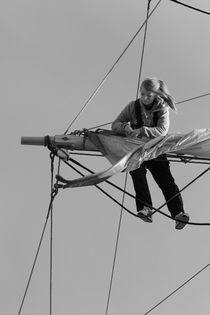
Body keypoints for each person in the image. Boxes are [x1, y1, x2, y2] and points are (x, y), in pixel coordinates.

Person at [111, 77, 189, 230]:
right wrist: (126, 129)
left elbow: (162, 130)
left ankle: (178, 213)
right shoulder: (133, 107)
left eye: (148, 95)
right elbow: (115, 125)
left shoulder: (162, 107)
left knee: (166, 180)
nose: (144, 98)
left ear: (156, 95)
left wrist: (141, 130)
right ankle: (145, 209)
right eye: (142, 94)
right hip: (136, 149)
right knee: (137, 174)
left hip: (155, 149)